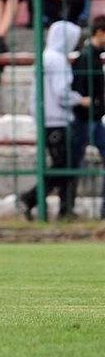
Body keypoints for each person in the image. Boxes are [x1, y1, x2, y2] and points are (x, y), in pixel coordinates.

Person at [18, 21, 88, 221]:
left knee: (65, 164)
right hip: (56, 119)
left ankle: (65, 210)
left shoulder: (46, 57)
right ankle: (30, 198)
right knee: (64, 166)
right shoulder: (57, 60)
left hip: (47, 118)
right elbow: (61, 92)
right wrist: (80, 99)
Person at [70, 15, 105, 220]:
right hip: (86, 119)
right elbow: (81, 89)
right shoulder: (87, 57)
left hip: (91, 119)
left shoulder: (90, 55)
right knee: (71, 165)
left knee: (72, 164)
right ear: (99, 32)